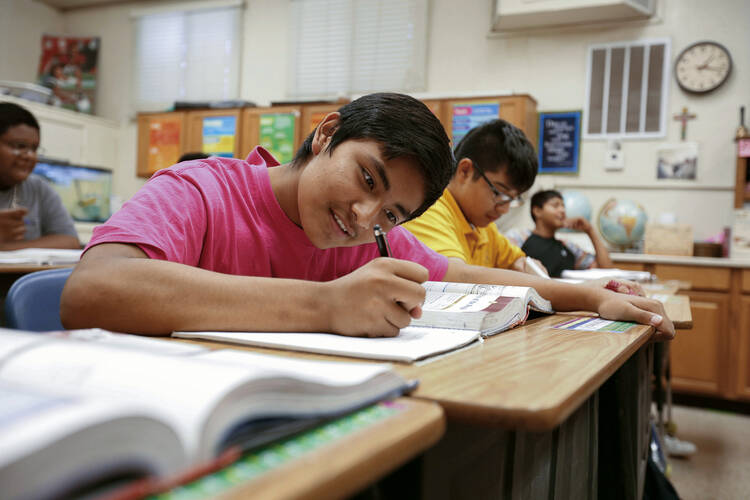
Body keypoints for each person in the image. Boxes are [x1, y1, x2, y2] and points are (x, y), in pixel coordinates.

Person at [60, 93, 673, 340]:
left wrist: (588, 298)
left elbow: (458, 276)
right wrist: (324, 306)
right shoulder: (202, 190)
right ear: (327, 134)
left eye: (391, 212)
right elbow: (93, 290)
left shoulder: (373, 237)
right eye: (367, 178)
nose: (361, 216)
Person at [403, 119, 545, 275]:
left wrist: (523, 264)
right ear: (465, 171)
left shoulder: (482, 225)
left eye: (512, 199)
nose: (504, 209)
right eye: (499, 193)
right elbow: (456, 277)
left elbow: (517, 261)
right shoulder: (427, 209)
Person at [0, 102, 80, 250]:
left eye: (34, 148)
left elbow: (70, 241)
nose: (30, 156)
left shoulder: (39, 188)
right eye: (20, 146)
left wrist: (6, 247)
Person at [507, 190, 613, 278]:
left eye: (563, 206)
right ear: (537, 211)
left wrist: (590, 231)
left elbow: (606, 270)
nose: (562, 210)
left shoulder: (568, 246)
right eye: (555, 205)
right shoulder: (518, 237)